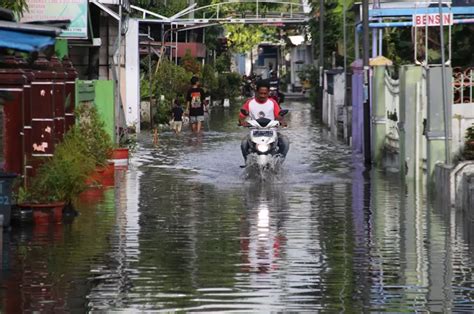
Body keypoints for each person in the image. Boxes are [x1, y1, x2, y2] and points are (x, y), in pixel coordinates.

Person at [238, 80, 289, 161]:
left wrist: (282, 121)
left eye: (265, 93)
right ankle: (247, 162)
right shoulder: (249, 103)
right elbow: (242, 116)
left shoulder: (273, 103)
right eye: (260, 93)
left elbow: (278, 116)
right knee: (244, 144)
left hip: (271, 132)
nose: (262, 95)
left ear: (268, 92)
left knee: (285, 142)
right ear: (256, 92)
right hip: (254, 133)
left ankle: (279, 162)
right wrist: (241, 122)